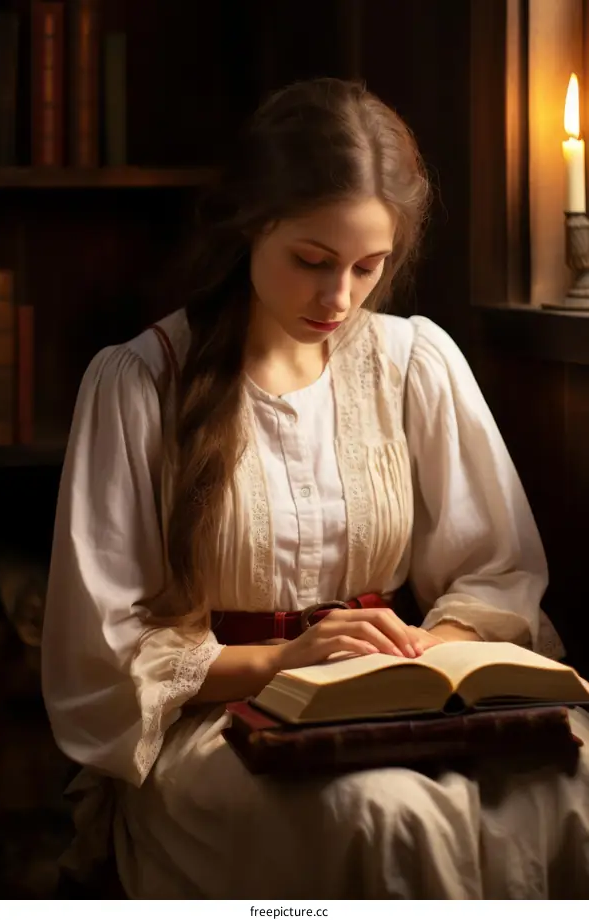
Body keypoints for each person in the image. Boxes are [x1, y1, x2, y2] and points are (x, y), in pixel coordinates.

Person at [41, 77, 589, 899]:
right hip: (214, 726)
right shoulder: (138, 383)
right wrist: (284, 662)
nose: (339, 298)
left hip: (390, 696)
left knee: (561, 784)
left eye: (369, 268)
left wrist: (419, 652)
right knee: (388, 816)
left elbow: (497, 570)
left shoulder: (413, 362)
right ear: (251, 225)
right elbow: (102, 657)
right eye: (312, 260)